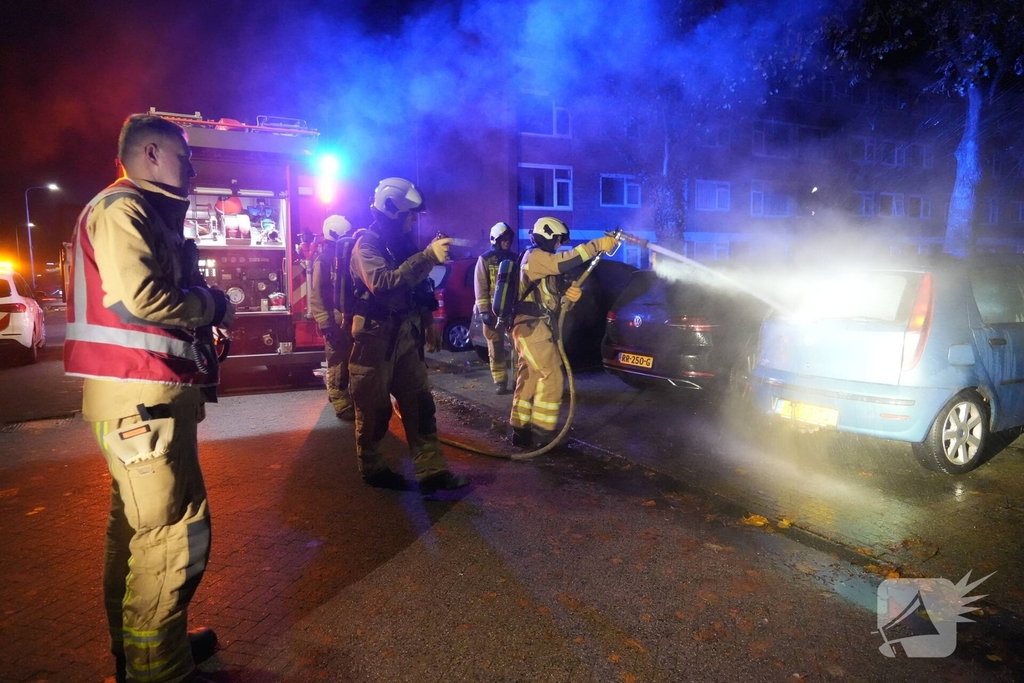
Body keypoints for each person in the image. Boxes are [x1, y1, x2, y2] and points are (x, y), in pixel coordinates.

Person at [64, 113, 235, 683]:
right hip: (144, 394)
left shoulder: (128, 210)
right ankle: (158, 668)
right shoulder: (123, 209)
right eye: (187, 159)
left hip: (139, 393)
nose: (193, 170)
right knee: (171, 533)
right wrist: (211, 305)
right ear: (152, 154)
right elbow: (142, 297)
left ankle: (138, 644)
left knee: (136, 530)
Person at [348, 177, 469, 493]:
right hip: (374, 339)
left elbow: (417, 287)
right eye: (410, 214)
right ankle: (373, 469)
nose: (414, 220)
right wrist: (427, 256)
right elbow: (384, 283)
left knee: (420, 405)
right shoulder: (367, 244)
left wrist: (428, 321)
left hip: (407, 336)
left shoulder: (402, 244)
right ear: (392, 210)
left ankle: (432, 472)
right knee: (374, 410)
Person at [508, 217, 617, 449]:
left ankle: (520, 431)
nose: (558, 246)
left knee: (530, 377)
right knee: (553, 376)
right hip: (531, 328)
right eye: (557, 241)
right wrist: (596, 245)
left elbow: (552, 302)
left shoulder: (543, 266)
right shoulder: (534, 256)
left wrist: (569, 297)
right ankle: (543, 435)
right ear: (547, 236)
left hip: (534, 328)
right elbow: (562, 262)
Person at [309, 214, 355, 420]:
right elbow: (317, 294)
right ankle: (341, 403)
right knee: (337, 363)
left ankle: (342, 395)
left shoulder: (346, 258)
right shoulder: (324, 259)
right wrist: (326, 325)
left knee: (350, 362)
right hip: (335, 321)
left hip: (349, 319)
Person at [473, 221, 517, 394]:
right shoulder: (484, 260)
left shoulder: (515, 259)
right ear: (495, 240)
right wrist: (484, 311)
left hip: (512, 311)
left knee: (518, 348)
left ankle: (518, 381)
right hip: (493, 312)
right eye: (503, 239)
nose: (506, 242)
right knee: (495, 347)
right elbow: (481, 286)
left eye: (508, 239)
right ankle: (500, 381)